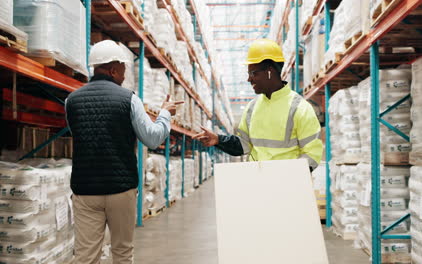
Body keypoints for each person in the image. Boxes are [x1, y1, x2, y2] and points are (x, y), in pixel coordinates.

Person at [65, 40, 183, 264]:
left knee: (85, 256)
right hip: (121, 191)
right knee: (122, 253)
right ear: (113, 69)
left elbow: (78, 134)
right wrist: (165, 114)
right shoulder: (129, 99)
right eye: (123, 69)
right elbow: (152, 137)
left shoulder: (72, 101)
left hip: (85, 190)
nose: (125, 74)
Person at [193, 38, 322, 170]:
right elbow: (244, 145)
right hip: (257, 183)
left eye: (253, 73)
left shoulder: (300, 108)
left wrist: (287, 179)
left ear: (270, 72)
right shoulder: (252, 108)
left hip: (287, 186)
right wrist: (218, 140)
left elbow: (312, 154)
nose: (249, 79)